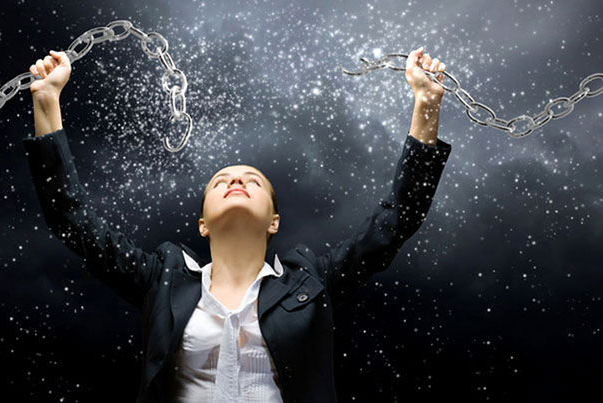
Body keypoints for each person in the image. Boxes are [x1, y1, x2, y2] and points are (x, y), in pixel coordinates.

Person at [23, 46, 452, 403]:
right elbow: (72, 219)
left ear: (274, 221)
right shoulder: (163, 279)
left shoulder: (310, 282)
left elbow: (394, 222)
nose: (235, 181)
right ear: (203, 224)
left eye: (253, 181)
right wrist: (46, 102)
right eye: (220, 181)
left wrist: (426, 105)